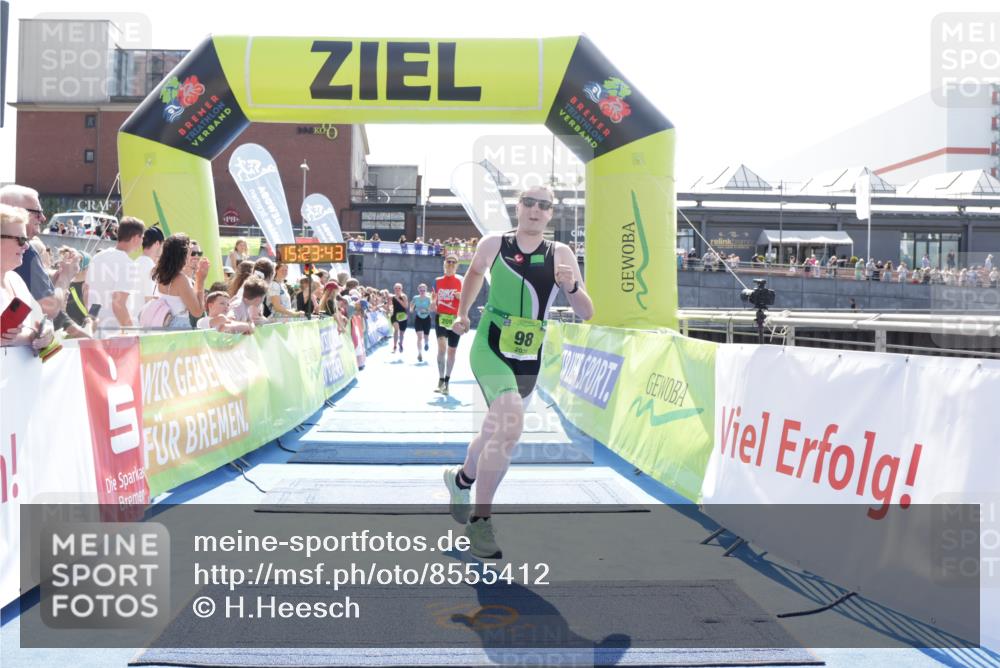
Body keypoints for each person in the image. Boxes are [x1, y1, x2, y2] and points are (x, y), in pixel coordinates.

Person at [444, 185, 593, 558]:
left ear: (550, 214)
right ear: (518, 206)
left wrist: (571, 286)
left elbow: (587, 311)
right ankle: (481, 523)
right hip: (492, 343)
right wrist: (463, 314)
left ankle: (461, 479)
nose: (535, 210)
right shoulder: (494, 244)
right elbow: (475, 274)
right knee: (510, 424)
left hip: (529, 353)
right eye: (529, 202)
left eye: (544, 205)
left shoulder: (560, 254)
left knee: (496, 429)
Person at [1, 204, 54, 350]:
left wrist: (45, 333)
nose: (26, 247)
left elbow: (40, 323)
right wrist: (28, 338)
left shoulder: (16, 280)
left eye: (27, 241)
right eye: (21, 240)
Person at [88, 216, 145, 331]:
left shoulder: (97, 257)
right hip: (114, 334)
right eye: (142, 237)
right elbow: (118, 305)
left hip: (94, 330)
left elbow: (86, 291)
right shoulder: (128, 264)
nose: (142, 241)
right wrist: (132, 333)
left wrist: (93, 319)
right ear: (135, 238)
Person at [149, 233, 209, 329]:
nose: (190, 257)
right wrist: (200, 279)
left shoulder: (161, 273)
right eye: (190, 253)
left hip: (165, 328)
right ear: (182, 255)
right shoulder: (180, 279)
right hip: (178, 330)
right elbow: (197, 312)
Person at [432, 254, 463, 395]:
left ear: (457, 265)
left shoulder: (462, 280)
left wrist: (460, 296)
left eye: (453, 262)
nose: (450, 264)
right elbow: (434, 297)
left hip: (455, 320)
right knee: (441, 348)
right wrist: (432, 303)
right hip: (441, 318)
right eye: (448, 261)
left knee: (451, 351)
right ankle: (440, 379)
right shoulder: (437, 281)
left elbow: (468, 299)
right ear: (444, 264)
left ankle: (447, 382)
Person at [136, 226, 165, 311]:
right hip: (142, 319)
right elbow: (149, 299)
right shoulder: (149, 265)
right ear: (157, 244)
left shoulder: (136, 261)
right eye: (162, 244)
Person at [410, 283, 432, 363]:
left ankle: (426, 343)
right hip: (418, 318)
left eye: (424, 290)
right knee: (419, 337)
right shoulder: (415, 298)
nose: (422, 291)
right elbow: (411, 308)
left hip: (427, 318)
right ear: (418, 290)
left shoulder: (429, 298)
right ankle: (419, 354)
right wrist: (412, 308)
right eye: (421, 290)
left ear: (426, 290)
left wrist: (425, 310)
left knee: (426, 336)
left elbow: (431, 309)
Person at [390, 282, 408, 353]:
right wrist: (389, 308)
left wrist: (398, 299)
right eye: (396, 288)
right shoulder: (392, 297)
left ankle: (401, 343)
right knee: (396, 330)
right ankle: (394, 346)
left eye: (399, 288)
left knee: (402, 332)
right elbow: (390, 305)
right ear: (394, 289)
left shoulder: (404, 296)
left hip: (403, 316)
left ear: (401, 289)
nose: (397, 289)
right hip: (395, 315)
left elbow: (405, 306)